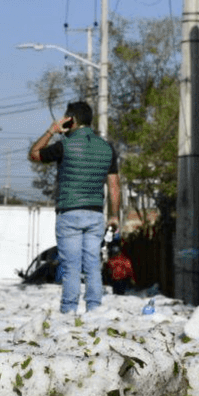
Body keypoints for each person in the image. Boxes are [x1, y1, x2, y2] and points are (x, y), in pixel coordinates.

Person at [29, 101, 121, 313]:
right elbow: (114, 185)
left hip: (69, 213)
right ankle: (94, 309)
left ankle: (69, 310)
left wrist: (51, 131)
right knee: (92, 266)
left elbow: (35, 153)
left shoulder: (64, 146)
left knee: (70, 267)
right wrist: (114, 216)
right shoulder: (107, 149)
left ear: (71, 120)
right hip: (95, 214)